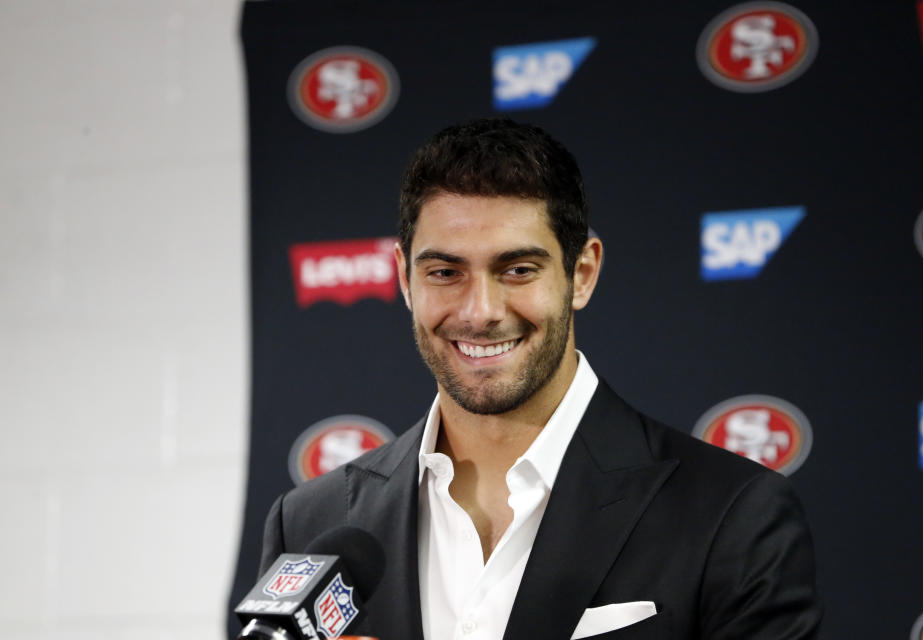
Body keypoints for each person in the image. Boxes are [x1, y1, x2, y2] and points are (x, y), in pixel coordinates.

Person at [259, 118, 822, 639]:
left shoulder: (731, 513)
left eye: (518, 270)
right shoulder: (310, 522)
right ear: (406, 281)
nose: (480, 311)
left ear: (581, 273)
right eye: (445, 272)